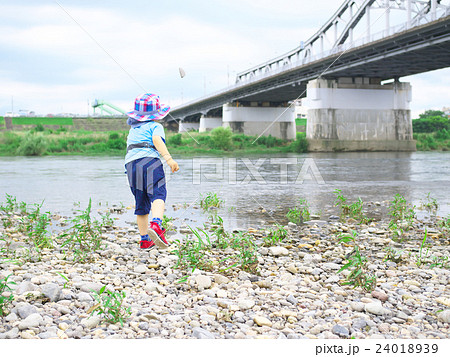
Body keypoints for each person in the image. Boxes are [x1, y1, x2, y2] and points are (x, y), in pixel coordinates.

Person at [124, 93, 179, 250]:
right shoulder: (156, 126)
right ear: (155, 114)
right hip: (149, 161)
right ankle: (156, 225)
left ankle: (144, 240)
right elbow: (156, 140)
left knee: (141, 203)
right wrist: (168, 159)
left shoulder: (133, 130)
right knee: (158, 193)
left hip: (131, 165)